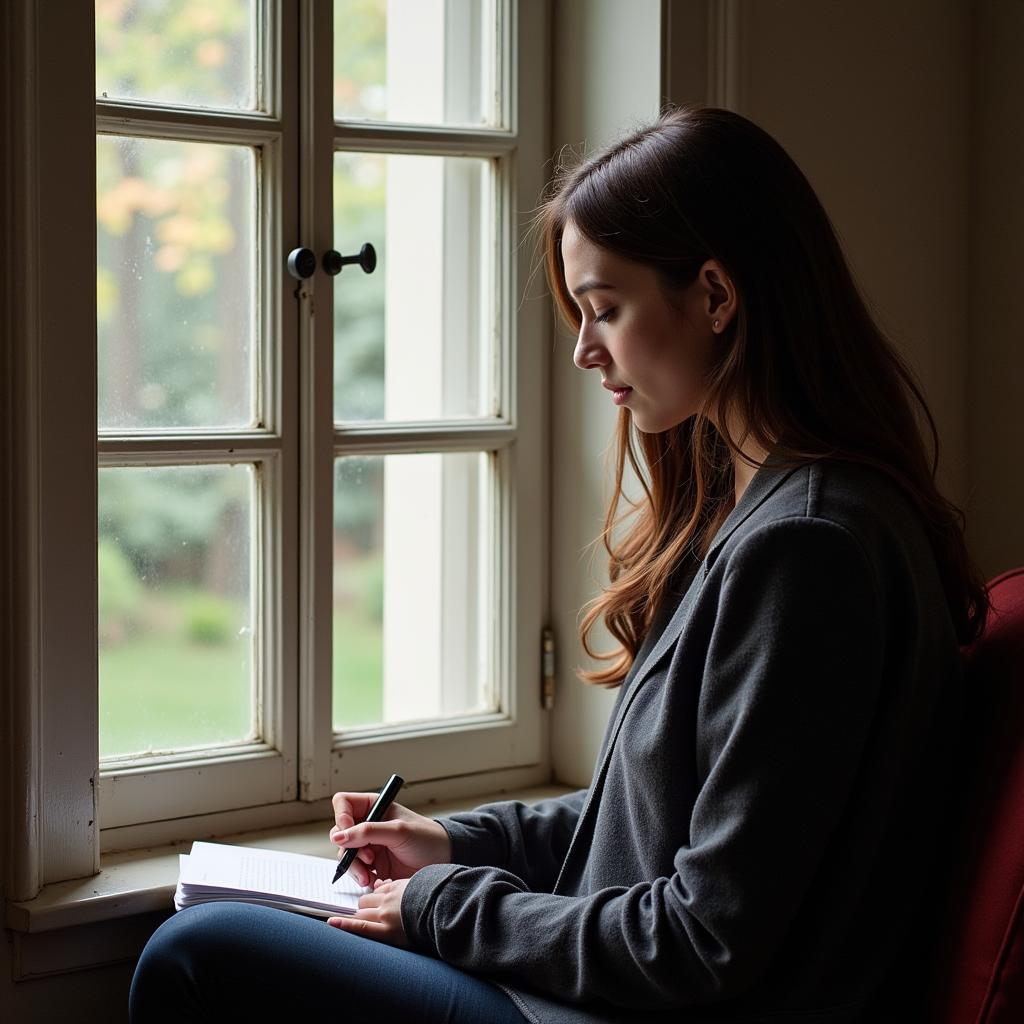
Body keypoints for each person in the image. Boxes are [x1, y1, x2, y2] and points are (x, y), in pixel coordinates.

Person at [128, 105, 988, 1024]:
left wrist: (441, 906)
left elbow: (706, 938)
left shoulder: (806, 551)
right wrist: (455, 842)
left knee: (198, 954)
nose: (584, 350)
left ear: (716, 295)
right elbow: (653, 824)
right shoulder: (752, 516)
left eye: (605, 310)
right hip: (590, 996)